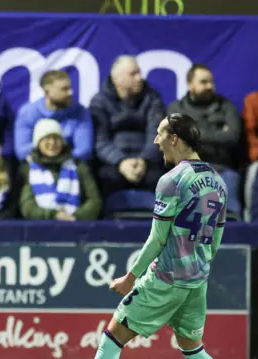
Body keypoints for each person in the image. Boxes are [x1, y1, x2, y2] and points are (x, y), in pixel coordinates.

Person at [94, 113, 227, 359]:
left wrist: (130, 278)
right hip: (196, 280)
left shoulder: (172, 180)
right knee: (193, 349)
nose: (155, 140)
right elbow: (215, 242)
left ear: (174, 139)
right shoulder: (218, 181)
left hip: (166, 279)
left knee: (112, 338)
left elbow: (157, 239)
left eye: (160, 134)